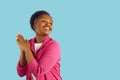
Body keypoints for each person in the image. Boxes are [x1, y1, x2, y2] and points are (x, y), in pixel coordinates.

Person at [16, 10, 62, 80]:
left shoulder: (53, 46)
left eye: (51, 23)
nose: (48, 25)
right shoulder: (28, 43)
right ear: (35, 25)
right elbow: (21, 72)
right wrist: (23, 50)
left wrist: (26, 49)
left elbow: (38, 72)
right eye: (44, 21)